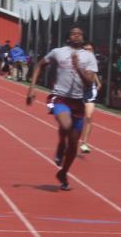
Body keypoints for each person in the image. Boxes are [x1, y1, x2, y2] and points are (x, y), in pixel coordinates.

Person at [26, 25, 97, 191]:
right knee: (66, 125)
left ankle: (63, 173)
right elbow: (39, 65)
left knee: (73, 143)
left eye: (79, 34)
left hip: (78, 101)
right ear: (68, 37)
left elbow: (89, 82)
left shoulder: (89, 57)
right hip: (60, 97)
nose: (76, 36)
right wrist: (31, 88)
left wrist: (78, 67)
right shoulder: (58, 52)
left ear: (83, 38)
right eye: (73, 33)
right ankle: (60, 145)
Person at [78, 41, 102, 154]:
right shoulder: (79, 59)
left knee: (88, 117)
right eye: (86, 49)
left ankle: (84, 143)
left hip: (89, 91)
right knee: (76, 117)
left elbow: (93, 72)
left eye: (90, 49)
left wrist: (98, 82)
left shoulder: (93, 61)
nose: (88, 51)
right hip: (78, 90)